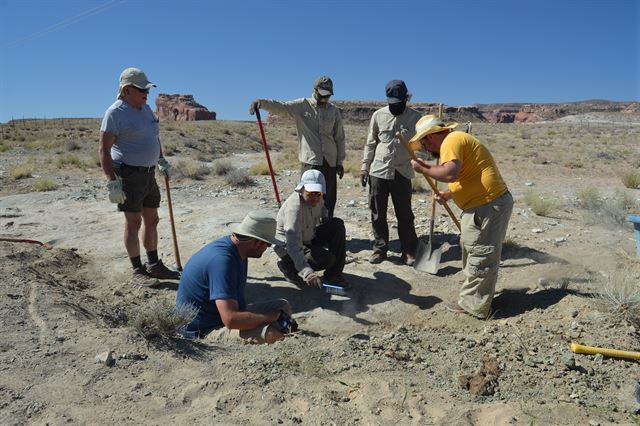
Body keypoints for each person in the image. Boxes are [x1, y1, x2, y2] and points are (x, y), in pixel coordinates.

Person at [409, 115, 513, 319]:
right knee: (474, 251)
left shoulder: (451, 140)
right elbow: (466, 175)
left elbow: (450, 174)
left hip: (487, 205)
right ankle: (476, 298)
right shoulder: (455, 140)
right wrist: (449, 194)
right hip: (484, 205)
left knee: (481, 255)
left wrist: (424, 168)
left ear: (430, 138)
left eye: (424, 144)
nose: (427, 150)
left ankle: (474, 307)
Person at [99, 67, 179, 285]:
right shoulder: (115, 113)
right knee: (133, 223)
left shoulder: (146, 110)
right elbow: (104, 150)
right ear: (126, 90)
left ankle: (154, 265)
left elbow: (155, 138)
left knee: (152, 219)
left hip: (148, 174)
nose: (146, 93)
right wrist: (112, 182)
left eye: (147, 89)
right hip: (128, 174)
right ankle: (137, 270)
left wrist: (161, 160)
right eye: (141, 89)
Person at [176, 211, 294, 343]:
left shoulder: (238, 250)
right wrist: (269, 317)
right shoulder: (222, 262)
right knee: (271, 334)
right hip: (204, 330)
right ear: (257, 243)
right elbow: (231, 319)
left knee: (282, 306)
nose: (266, 248)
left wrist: (271, 316)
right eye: (267, 244)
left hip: (220, 316)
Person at [249, 76, 346, 217]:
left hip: (330, 162)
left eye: (328, 96)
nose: (324, 99)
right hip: (311, 161)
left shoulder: (333, 110)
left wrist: (339, 162)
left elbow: (339, 137)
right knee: (309, 197)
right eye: (322, 95)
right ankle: (308, 230)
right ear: (315, 91)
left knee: (329, 198)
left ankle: (327, 228)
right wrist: (261, 103)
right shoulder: (302, 105)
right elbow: (282, 107)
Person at [360, 80, 422, 266]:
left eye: (399, 103)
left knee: (404, 214)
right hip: (378, 171)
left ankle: (408, 250)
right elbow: (371, 143)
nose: (395, 107)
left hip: (402, 172)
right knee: (378, 213)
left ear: (406, 99)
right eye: (392, 103)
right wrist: (364, 167)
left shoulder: (416, 118)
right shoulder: (378, 116)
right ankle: (380, 249)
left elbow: (425, 144)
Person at [274, 169, 349, 289]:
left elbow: (323, 207)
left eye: (318, 194)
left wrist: (325, 218)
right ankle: (287, 265)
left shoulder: (317, 197)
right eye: (310, 194)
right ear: (302, 188)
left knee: (337, 225)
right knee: (326, 259)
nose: (314, 197)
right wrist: (307, 271)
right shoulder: (294, 209)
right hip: (288, 247)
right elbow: (293, 244)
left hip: (308, 237)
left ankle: (333, 275)